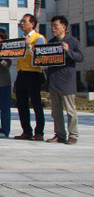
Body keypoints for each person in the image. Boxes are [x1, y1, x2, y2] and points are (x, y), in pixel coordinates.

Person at [46, 15, 84, 144]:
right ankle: (59, 134)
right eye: (51, 26)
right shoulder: (51, 42)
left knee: (70, 111)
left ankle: (73, 135)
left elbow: (80, 57)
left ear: (64, 27)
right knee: (56, 112)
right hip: (54, 80)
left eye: (55, 26)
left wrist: (68, 51)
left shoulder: (73, 41)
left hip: (67, 81)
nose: (53, 29)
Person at [14, 13, 47, 141]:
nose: (22, 23)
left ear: (32, 24)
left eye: (24, 21)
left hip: (34, 74)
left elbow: (41, 58)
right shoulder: (20, 39)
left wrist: (29, 47)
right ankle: (26, 131)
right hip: (21, 73)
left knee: (36, 103)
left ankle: (39, 132)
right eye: (21, 21)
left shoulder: (39, 38)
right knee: (22, 104)